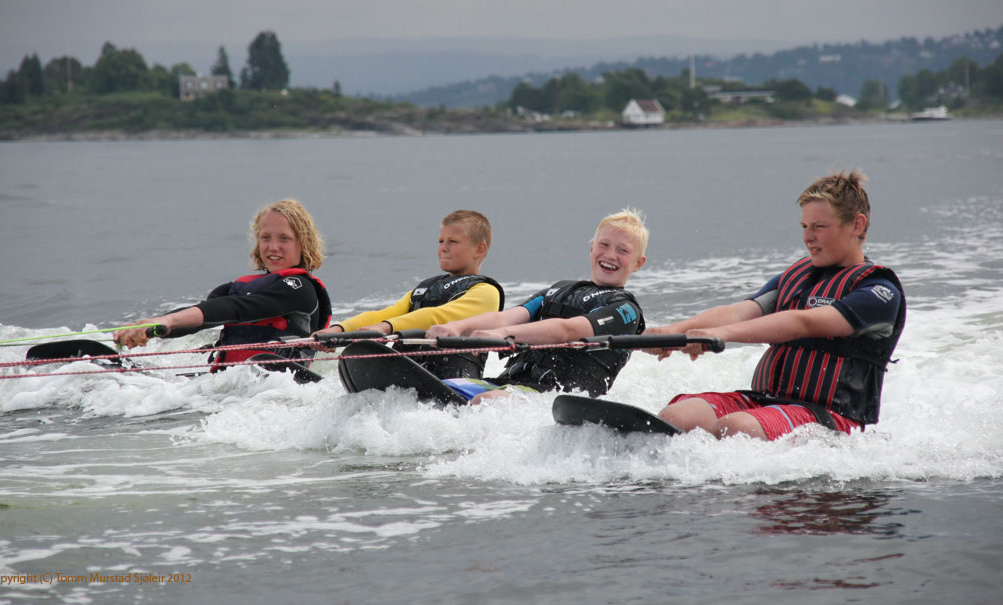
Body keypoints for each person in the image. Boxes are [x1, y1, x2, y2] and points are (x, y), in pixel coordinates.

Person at [646, 170, 905, 441]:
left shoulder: (879, 292)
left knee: (735, 428)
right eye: (804, 227)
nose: (808, 237)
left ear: (857, 225)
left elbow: (801, 323)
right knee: (677, 417)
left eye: (819, 227)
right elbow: (738, 313)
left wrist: (717, 336)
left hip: (830, 417)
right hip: (766, 402)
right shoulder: (795, 278)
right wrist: (674, 331)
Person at [426, 208, 649, 404]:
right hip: (512, 385)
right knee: (439, 389)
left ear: (638, 263)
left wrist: (503, 334)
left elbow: (567, 331)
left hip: (559, 397)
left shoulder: (626, 310)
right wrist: (457, 326)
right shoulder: (558, 290)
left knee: (486, 401)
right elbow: (506, 318)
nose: (610, 255)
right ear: (592, 247)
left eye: (623, 250)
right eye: (604, 245)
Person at [114, 199, 332, 373]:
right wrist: (152, 327)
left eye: (284, 238)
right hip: (227, 386)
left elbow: (238, 308)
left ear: (303, 244)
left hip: (277, 387)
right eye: (265, 238)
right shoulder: (236, 288)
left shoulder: (300, 288)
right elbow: (201, 316)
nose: (273, 247)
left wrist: (168, 320)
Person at [311, 210, 504, 379]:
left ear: (479, 249)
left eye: (453, 241)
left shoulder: (487, 292)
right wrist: (339, 330)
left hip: (456, 382)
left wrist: (384, 328)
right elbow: (386, 313)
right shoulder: (427, 287)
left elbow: (438, 316)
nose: (443, 247)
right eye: (441, 241)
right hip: (409, 371)